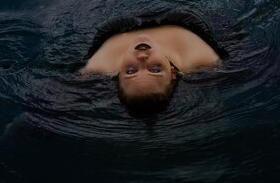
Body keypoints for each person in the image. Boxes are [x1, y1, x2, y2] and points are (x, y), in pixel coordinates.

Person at [81, 9, 228, 113]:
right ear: (172, 73)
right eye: (155, 69)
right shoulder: (202, 58)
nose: (142, 58)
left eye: (131, 71)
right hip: (187, 19)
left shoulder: (99, 65)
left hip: (116, 24)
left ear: (118, 76)